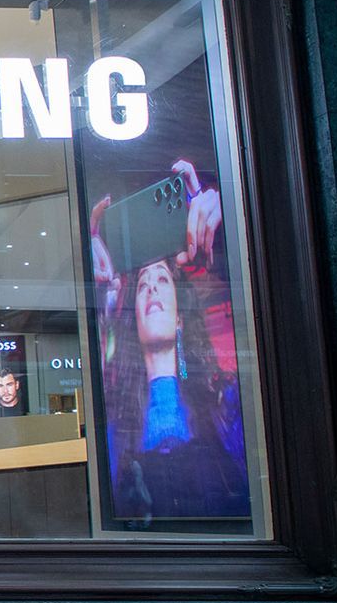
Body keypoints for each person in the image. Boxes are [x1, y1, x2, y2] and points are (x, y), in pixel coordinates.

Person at [90, 158, 248, 522]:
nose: (151, 289)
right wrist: (93, 290)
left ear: (179, 317)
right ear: (133, 317)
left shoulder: (223, 401)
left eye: (162, 280)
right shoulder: (114, 419)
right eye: (142, 285)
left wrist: (225, 228)